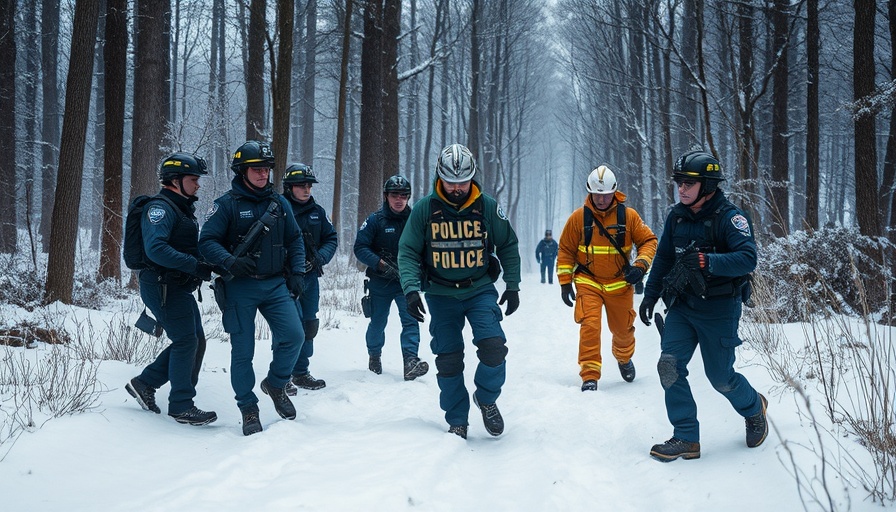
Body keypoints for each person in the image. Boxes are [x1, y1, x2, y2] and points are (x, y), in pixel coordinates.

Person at [639, 150, 767, 462]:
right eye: (679, 182)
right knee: (668, 365)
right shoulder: (676, 216)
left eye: (688, 183)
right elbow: (664, 259)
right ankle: (686, 437)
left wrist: (706, 261)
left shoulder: (730, 217)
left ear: (707, 185)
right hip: (683, 306)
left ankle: (754, 408)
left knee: (721, 377)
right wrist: (650, 295)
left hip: (720, 309)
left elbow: (748, 258)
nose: (681, 188)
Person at [397, 143, 521, 440]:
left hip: (479, 289)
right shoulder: (425, 209)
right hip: (440, 295)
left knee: (494, 348)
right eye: (451, 182)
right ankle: (457, 419)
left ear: (472, 177)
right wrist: (411, 290)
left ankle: (487, 398)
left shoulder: (487, 206)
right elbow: (408, 251)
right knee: (449, 359)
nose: (456, 188)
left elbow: (507, 245)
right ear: (440, 177)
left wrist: (513, 286)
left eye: (462, 182)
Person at [199, 140, 306, 436]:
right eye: (256, 169)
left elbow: (296, 239)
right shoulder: (226, 204)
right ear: (242, 171)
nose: (263, 175)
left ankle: (276, 383)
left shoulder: (279, 203)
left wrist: (297, 272)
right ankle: (248, 407)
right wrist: (231, 261)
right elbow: (206, 242)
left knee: (295, 335)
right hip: (240, 288)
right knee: (242, 352)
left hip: (274, 285)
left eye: (267, 169)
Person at [125, 152, 217, 426]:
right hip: (162, 285)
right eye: (193, 179)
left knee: (196, 340)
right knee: (187, 341)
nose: (198, 185)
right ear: (175, 180)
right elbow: (157, 250)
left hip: (176, 285)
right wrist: (195, 266)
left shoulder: (179, 207)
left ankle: (145, 383)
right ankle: (181, 405)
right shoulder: (160, 208)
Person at [557, 165, 657, 392]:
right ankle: (589, 376)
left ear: (614, 192)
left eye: (606, 194)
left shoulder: (629, 216)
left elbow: (649, 241)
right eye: (597, 194)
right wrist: (565, 282)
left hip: (620, 284)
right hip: (588, 282)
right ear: (589, 192)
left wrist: (640, 267)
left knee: (623, 331)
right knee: (590, 326)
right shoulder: (578, 218)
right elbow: (565, 250)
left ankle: (623, 357)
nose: (601, 199)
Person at [354, 175, 429, 380]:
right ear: (386, 196)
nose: (399, 199)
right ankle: (374, 356)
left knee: (411, 320)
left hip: (407, 283)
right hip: (380, 282)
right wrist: (379, 263)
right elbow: (360, 247)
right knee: (378, 323)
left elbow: (426, 249)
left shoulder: (416, 220)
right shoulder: (374, 220)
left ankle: (411, 361)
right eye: (394, 195)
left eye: (403, 195)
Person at [281, 163, 338, 391]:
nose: (306, 190)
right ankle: (282, 376)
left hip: (310, 277)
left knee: (308, 323)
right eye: (301, 186)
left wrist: (318, 259)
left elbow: (331, 238)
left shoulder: (318, 212)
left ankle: (301, 372)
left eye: (309, 186)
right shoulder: (278, 209)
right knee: (288, 327)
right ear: (289, 187)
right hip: (284, 279)